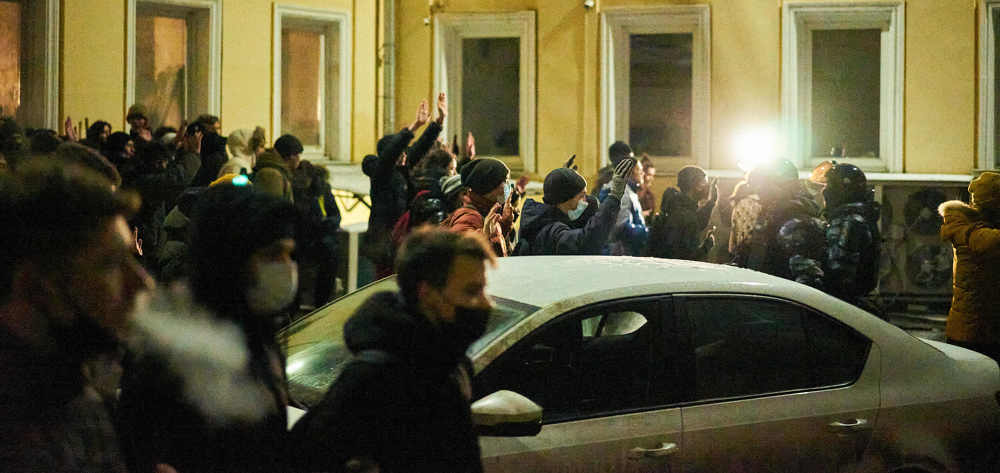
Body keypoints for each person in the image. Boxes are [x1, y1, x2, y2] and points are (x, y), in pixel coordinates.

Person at [118, 185, 297, 473]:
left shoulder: (257, 334)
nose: (287, 267)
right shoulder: (170, 350)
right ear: (233, 258)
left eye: (289, 254)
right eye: (273, 255)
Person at [290, 228, 494, 473]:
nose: (485, 303)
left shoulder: (452, 366)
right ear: (427, 293)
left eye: (483, 290)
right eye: (471, 291)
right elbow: (306, 455)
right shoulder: (374, 377)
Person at [0, 161, 152, 472]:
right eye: (110, 264)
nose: (142, 283)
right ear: (36, 285)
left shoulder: (68, 386)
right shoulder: (20, 432)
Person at [363, 95, 444, 276]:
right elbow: (391, 154)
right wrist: (413, 127)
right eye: (401, 153)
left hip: (402, 241)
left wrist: (438, 122)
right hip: (384, 245)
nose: (405, 156)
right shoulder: (382, 175)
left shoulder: (402, 170)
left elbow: (420, 147)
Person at [732, 160, 826, 288]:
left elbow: (806, 278)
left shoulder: (794, 219)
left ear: (784, 186)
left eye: (765, 185)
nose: (759, 190)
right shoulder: (772, 213)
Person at [515, 158, 636, 256]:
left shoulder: (548, 216)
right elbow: (585, 242)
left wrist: (564, 177)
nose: (585, 201)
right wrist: (614, 196)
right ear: (565, 200)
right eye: (581, 196)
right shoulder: (550, 232)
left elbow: (582, 216)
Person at [939, 172, 1000, 361]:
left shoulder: (975, 227)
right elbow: (991, 242)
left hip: (978, 330)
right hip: (973, 333)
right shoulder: (970, 231)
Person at [822, 163, 881, 306]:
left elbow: (839, 271)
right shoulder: (858, 217)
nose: (825, 191)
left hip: (845, 303)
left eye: (829, 185)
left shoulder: (850, 222)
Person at [647, 165, 718, 261]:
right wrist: (706, 247)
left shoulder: (676, 206)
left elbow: (696, 221)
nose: (708, 187)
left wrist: (711, 202)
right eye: (705, 182)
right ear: (697, 186)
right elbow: (687, 259)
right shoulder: (685, 216)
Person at [444, 157, 512, 256]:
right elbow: (460, 250)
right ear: (489, 186)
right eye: (505, 180)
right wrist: (483, 235)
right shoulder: (469, 216)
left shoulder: (485, 210)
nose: (508, 186)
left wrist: (504, 223)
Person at [597, 144, 647, 256]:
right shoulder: (623, 193)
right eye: (640, 170)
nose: (642, 174)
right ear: (630, 172)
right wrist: (649, 232)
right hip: (619, 253)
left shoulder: (623, 189)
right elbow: (621, 227)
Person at [253, 134, 302, 202]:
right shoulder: (271, 175)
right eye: (297, 155)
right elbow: (273, 205)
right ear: (291, 156)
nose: (299, 159)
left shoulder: (279, 172)